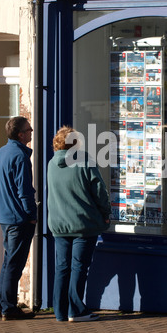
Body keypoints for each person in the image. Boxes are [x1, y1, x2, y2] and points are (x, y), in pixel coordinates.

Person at [47, 125, 111, 322]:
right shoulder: (84, 161)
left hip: (59, 224)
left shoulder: (51, 164)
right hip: (83, 223)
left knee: (62, 268)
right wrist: (105, 213)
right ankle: (76, 311)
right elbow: (99, 191)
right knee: (78, 267)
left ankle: (60, 312)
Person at [0, 116, 37, 321]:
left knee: (8, 261)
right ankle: (9, 308)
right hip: (18, 217)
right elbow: (24, 191)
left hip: (4, 215)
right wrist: (31, 215)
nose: (31, 132)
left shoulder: (1, 153)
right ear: (20, 134)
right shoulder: (19, 156)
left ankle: (2, 305)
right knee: (14, 264)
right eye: (29, 129)